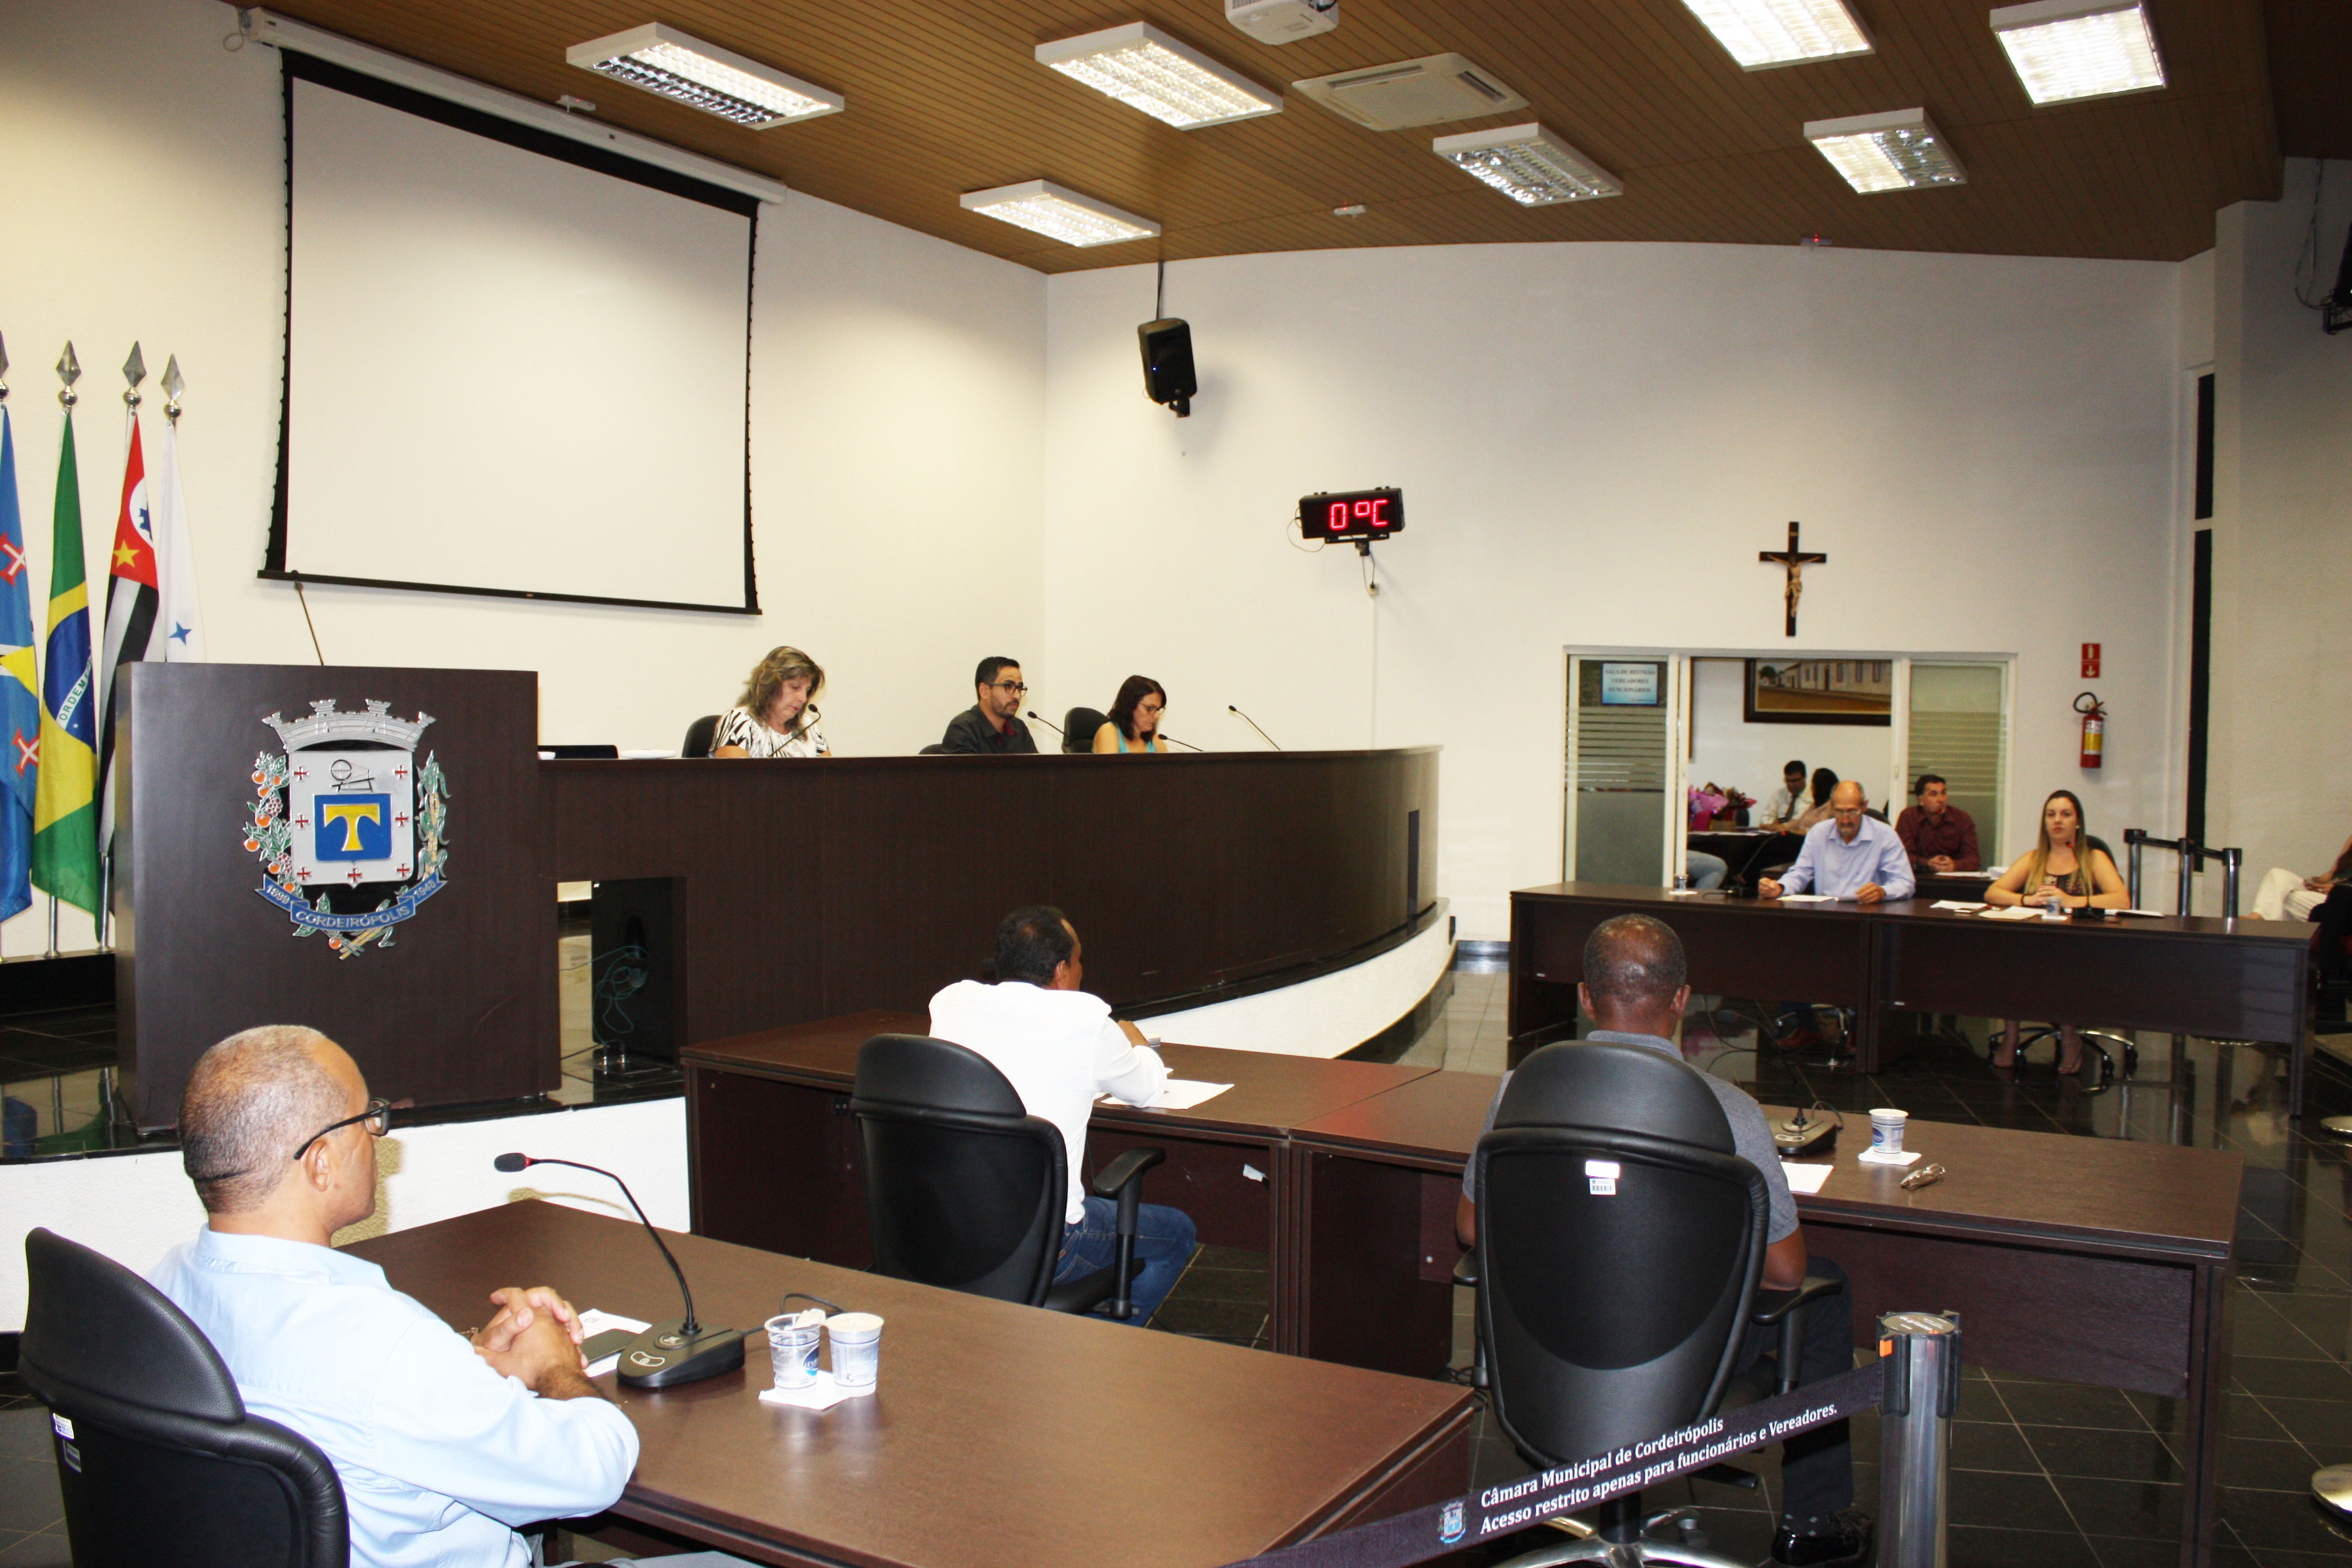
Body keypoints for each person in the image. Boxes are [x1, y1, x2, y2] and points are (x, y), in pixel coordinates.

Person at [1453, 915, 1869, 1568]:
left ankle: (1556, 1495)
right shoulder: (1729, 1110)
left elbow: (1472, 1227)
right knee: (1827, 1288)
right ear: (1682, 1000)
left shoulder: (1519, 1089)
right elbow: (1786, 1272)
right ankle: (1812, 1523)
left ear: (1586, 997)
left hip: (1548, 1346)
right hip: (1678, 1359)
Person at [149, 1026, 641, 1568]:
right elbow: (595, 1468)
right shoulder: (380, 1345)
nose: (378, 1137)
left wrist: (466, 1363)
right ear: (320, 1163)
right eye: (367, 1119)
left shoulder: (161, 1291)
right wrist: (553, 1368)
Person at [927, 907, 1197, 1323]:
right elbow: (1147, 1089)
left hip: (953, 1234)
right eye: (1079, 960)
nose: (1082, 971)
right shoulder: (1086, 1021)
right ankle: (1098, 1349)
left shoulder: (950, 1004)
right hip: (1052, 1245)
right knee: (1177, 1233)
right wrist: (1139, 1044)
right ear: (1060, 971)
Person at [1984, 790, 2130, 1071]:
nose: (2057, 821)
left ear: (2078, 822)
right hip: (2038, 943)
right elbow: (1993, 893)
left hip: (2081, 947)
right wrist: (2026, 899)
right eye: (2051, 815)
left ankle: (2069, 1037)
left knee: (2063, 966)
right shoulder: (2035, 859)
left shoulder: (2093, 858)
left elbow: (2121, 900)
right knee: (2010, 962)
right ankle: (2011, 1035)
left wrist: (2072, 901)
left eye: (2065, 814)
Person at [1760, 782, 1912, 905]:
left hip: (1866, 913)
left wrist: (1883, 892)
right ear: (1831, 808)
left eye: (1852, 812)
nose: (1845, 820)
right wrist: (1780, 887)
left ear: (1864, 807)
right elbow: (1801, 873)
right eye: (1839, 812)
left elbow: (1905, 883)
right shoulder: (1819, 833)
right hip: (1826, 913)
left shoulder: (1884, 835)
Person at [712, 645, 829, 758]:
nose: (803, 698)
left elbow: (830, 770)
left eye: (807, 691)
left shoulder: (808, 726)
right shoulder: (740, 721)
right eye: (795, 687)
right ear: (771, 685)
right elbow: (734, 770)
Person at [940, 656, 1038, 754]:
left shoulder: (1019, 728)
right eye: (1008, 686)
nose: (1017, 696)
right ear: (984, 691)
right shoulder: (962, 730)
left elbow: (1036, 764)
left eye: (1019, 688)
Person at [1895, 774, 1980, 874]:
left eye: (1943, 793)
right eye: (1934, 794)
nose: (1941, 800)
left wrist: (1954, 865)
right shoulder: (1909, 817)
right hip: (1920, 878)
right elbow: (1900, 857)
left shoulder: (1962, 819)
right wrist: (1927, 864)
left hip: (1953, 878)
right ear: (1921, 800)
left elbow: (1974, 860)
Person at [1093, 675, 1169, 754]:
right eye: (1150, 708)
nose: (1157, 716)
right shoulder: (1109, 731)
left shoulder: (1153, 738)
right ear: (1130, 705)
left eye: (1158, 709)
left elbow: (1168, 762)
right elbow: (1110, 762)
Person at [1761, 760, 1809, 828]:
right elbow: (1765, 818)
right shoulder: (1779, 794)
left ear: (1805, 778)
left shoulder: (1814, 796)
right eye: (1788, 781)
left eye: (1795, 781)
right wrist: (1774, 825)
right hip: (1777, 832)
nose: (1791, 785)